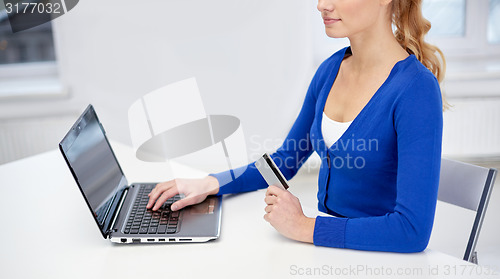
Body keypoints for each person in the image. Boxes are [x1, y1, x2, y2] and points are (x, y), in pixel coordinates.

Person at [147, 0, 446, 253]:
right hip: (326, 251)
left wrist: (305, 226)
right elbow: (284, 161)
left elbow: (411, 230)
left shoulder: (416, 90)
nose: (321, 5)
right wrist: (212, 184)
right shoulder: (330, 70)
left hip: (379, 259)